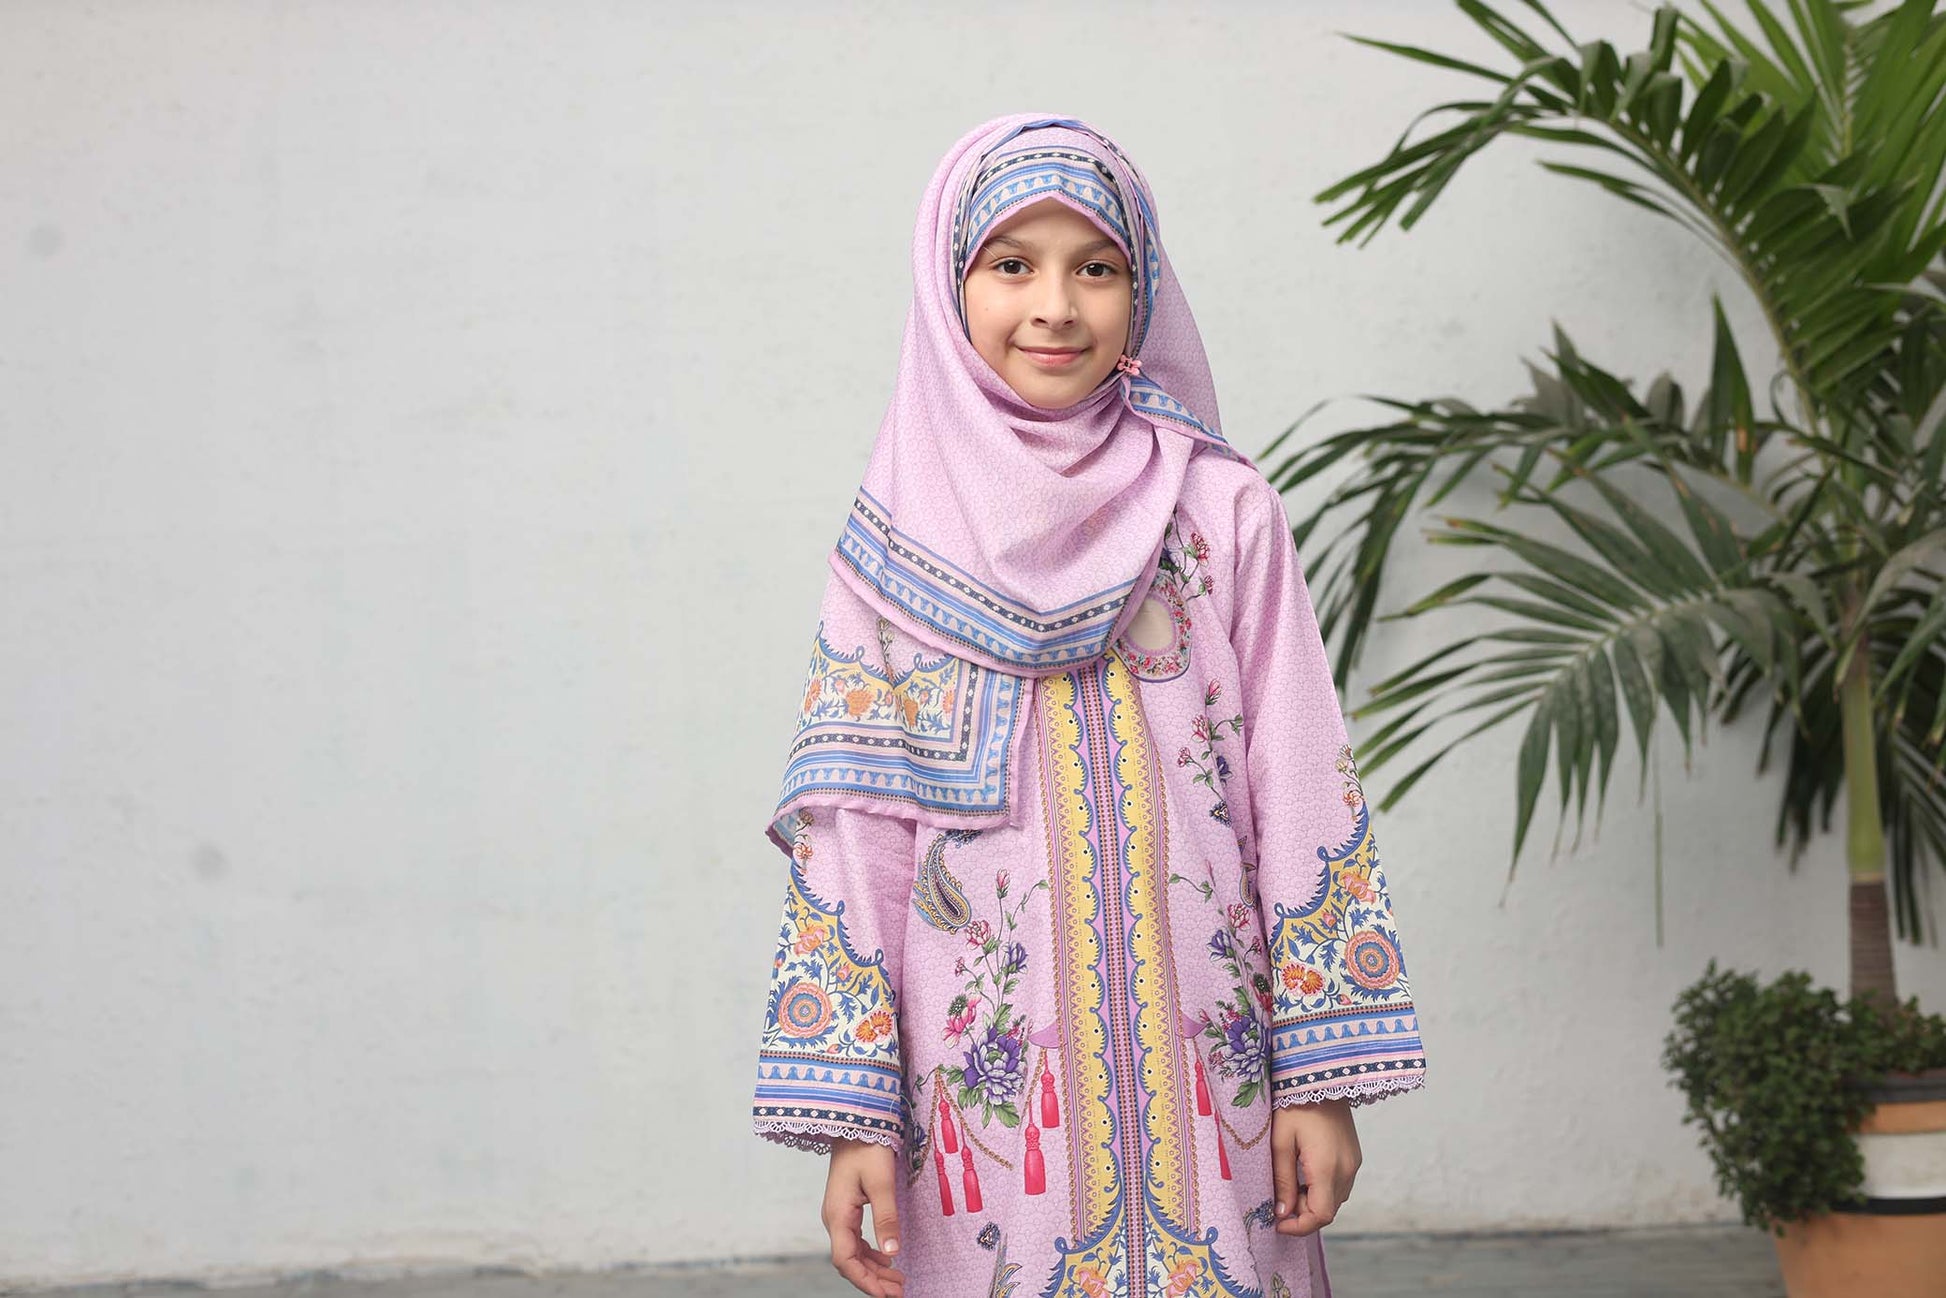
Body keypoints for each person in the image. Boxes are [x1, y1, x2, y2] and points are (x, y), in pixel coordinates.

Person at [750, 113, 1427, 1298]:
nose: (1055, 305)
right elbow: (856, 842)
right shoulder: (893, 550)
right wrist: (857, 1116)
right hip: (988, 1103)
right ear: (947, 282)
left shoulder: (1220, 509)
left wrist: (1319, 1081)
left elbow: (1303, 780)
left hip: (1214, 1073)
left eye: (1095, 266)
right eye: (1011, 264)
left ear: (1142, 289)